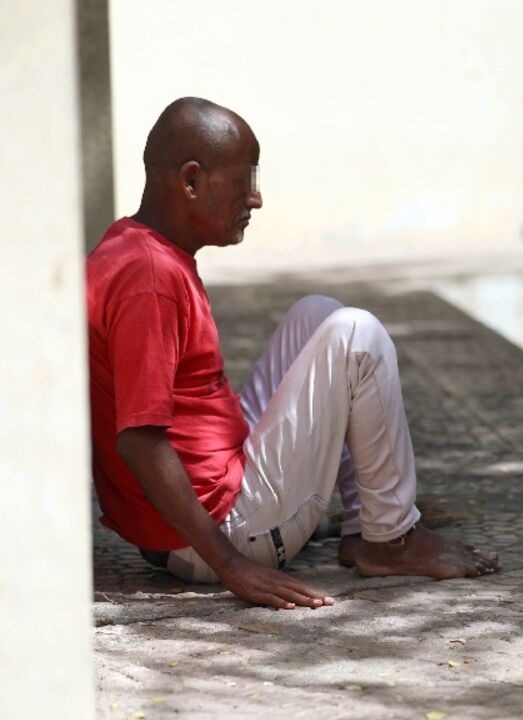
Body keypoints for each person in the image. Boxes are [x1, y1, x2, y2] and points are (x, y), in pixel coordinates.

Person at [87, 97, 498, 610]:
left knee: (317, 314)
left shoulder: (128, 245)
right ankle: (392, 540)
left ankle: (360, 525)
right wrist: (233, 566)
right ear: (191, 182)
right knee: (356, 336)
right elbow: (139, 441)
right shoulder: (151, 280)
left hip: (204, 506)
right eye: (245, 180)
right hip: (217, 532)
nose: (255, 199)